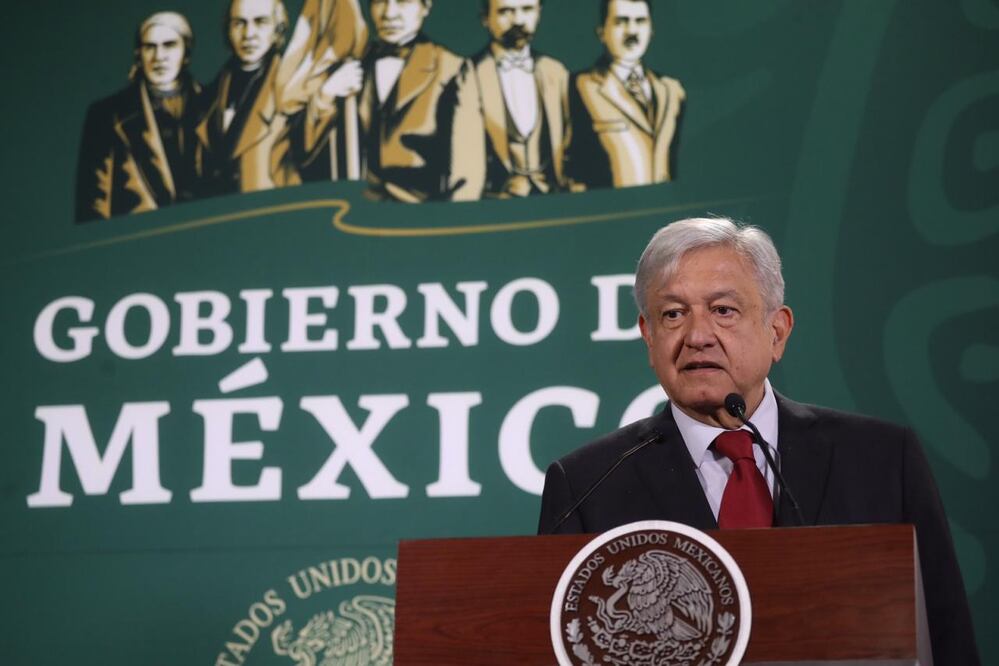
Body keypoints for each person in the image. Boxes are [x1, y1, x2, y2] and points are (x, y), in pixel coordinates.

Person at [537, 217, 980, 664]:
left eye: (723, 310)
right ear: (649, 337)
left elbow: (947, 638)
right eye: (673, 314)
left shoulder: (882, 459)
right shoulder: (587, 486)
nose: (697, 336)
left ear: (778, 331)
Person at [288, 0, 485, 202]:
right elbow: (304, 155)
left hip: (422, 218)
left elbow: (466, 176)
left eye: (402, 2)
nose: (389, 14)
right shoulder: (350, 65)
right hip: (356, 215)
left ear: (425, 7)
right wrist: (326, 95)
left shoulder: (453, 68)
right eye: (379, 1)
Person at [75, 12, 202, 221]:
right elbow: (94, 205)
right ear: (138, 54)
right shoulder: (106, 114)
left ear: (186, 53)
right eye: (149, 47)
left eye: (169, 45)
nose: (159, 56)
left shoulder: (212, 104)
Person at [565, 0, 684, 190]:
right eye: (621, 21)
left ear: (651, 30)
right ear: (602, 32)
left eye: (640, 21)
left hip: (665, 208)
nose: (632, 31)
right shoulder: (578, 86)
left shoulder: (672, 90)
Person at [472, 0, 569, 197]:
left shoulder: (556, 73)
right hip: (493, 205)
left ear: (538, 13)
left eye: (526, 9)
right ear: (485, 18)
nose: (518, 20)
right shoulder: (468, 75)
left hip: (554, 200)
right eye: (505, 11)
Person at [196, 0, 288, 195]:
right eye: (239, 23)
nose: (248, 34)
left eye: (260, 22)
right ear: (228, 30)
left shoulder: (292, 85)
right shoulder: (210, 93)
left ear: (277, 29)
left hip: (271, 213)